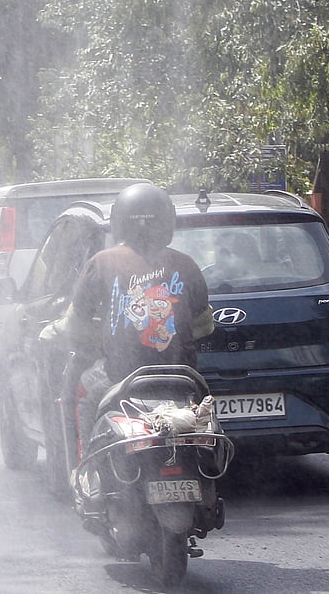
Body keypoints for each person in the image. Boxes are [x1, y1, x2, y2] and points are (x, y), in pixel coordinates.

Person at [41, 183, 214, 463]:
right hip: (181, 382)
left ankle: (85, 471)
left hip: (118, 379)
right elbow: (205, 326)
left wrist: (53, 332)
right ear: (167, 220)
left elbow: (74, 327)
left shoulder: (101, 263)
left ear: (119, 221)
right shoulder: (186, 264)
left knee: (79, 394)